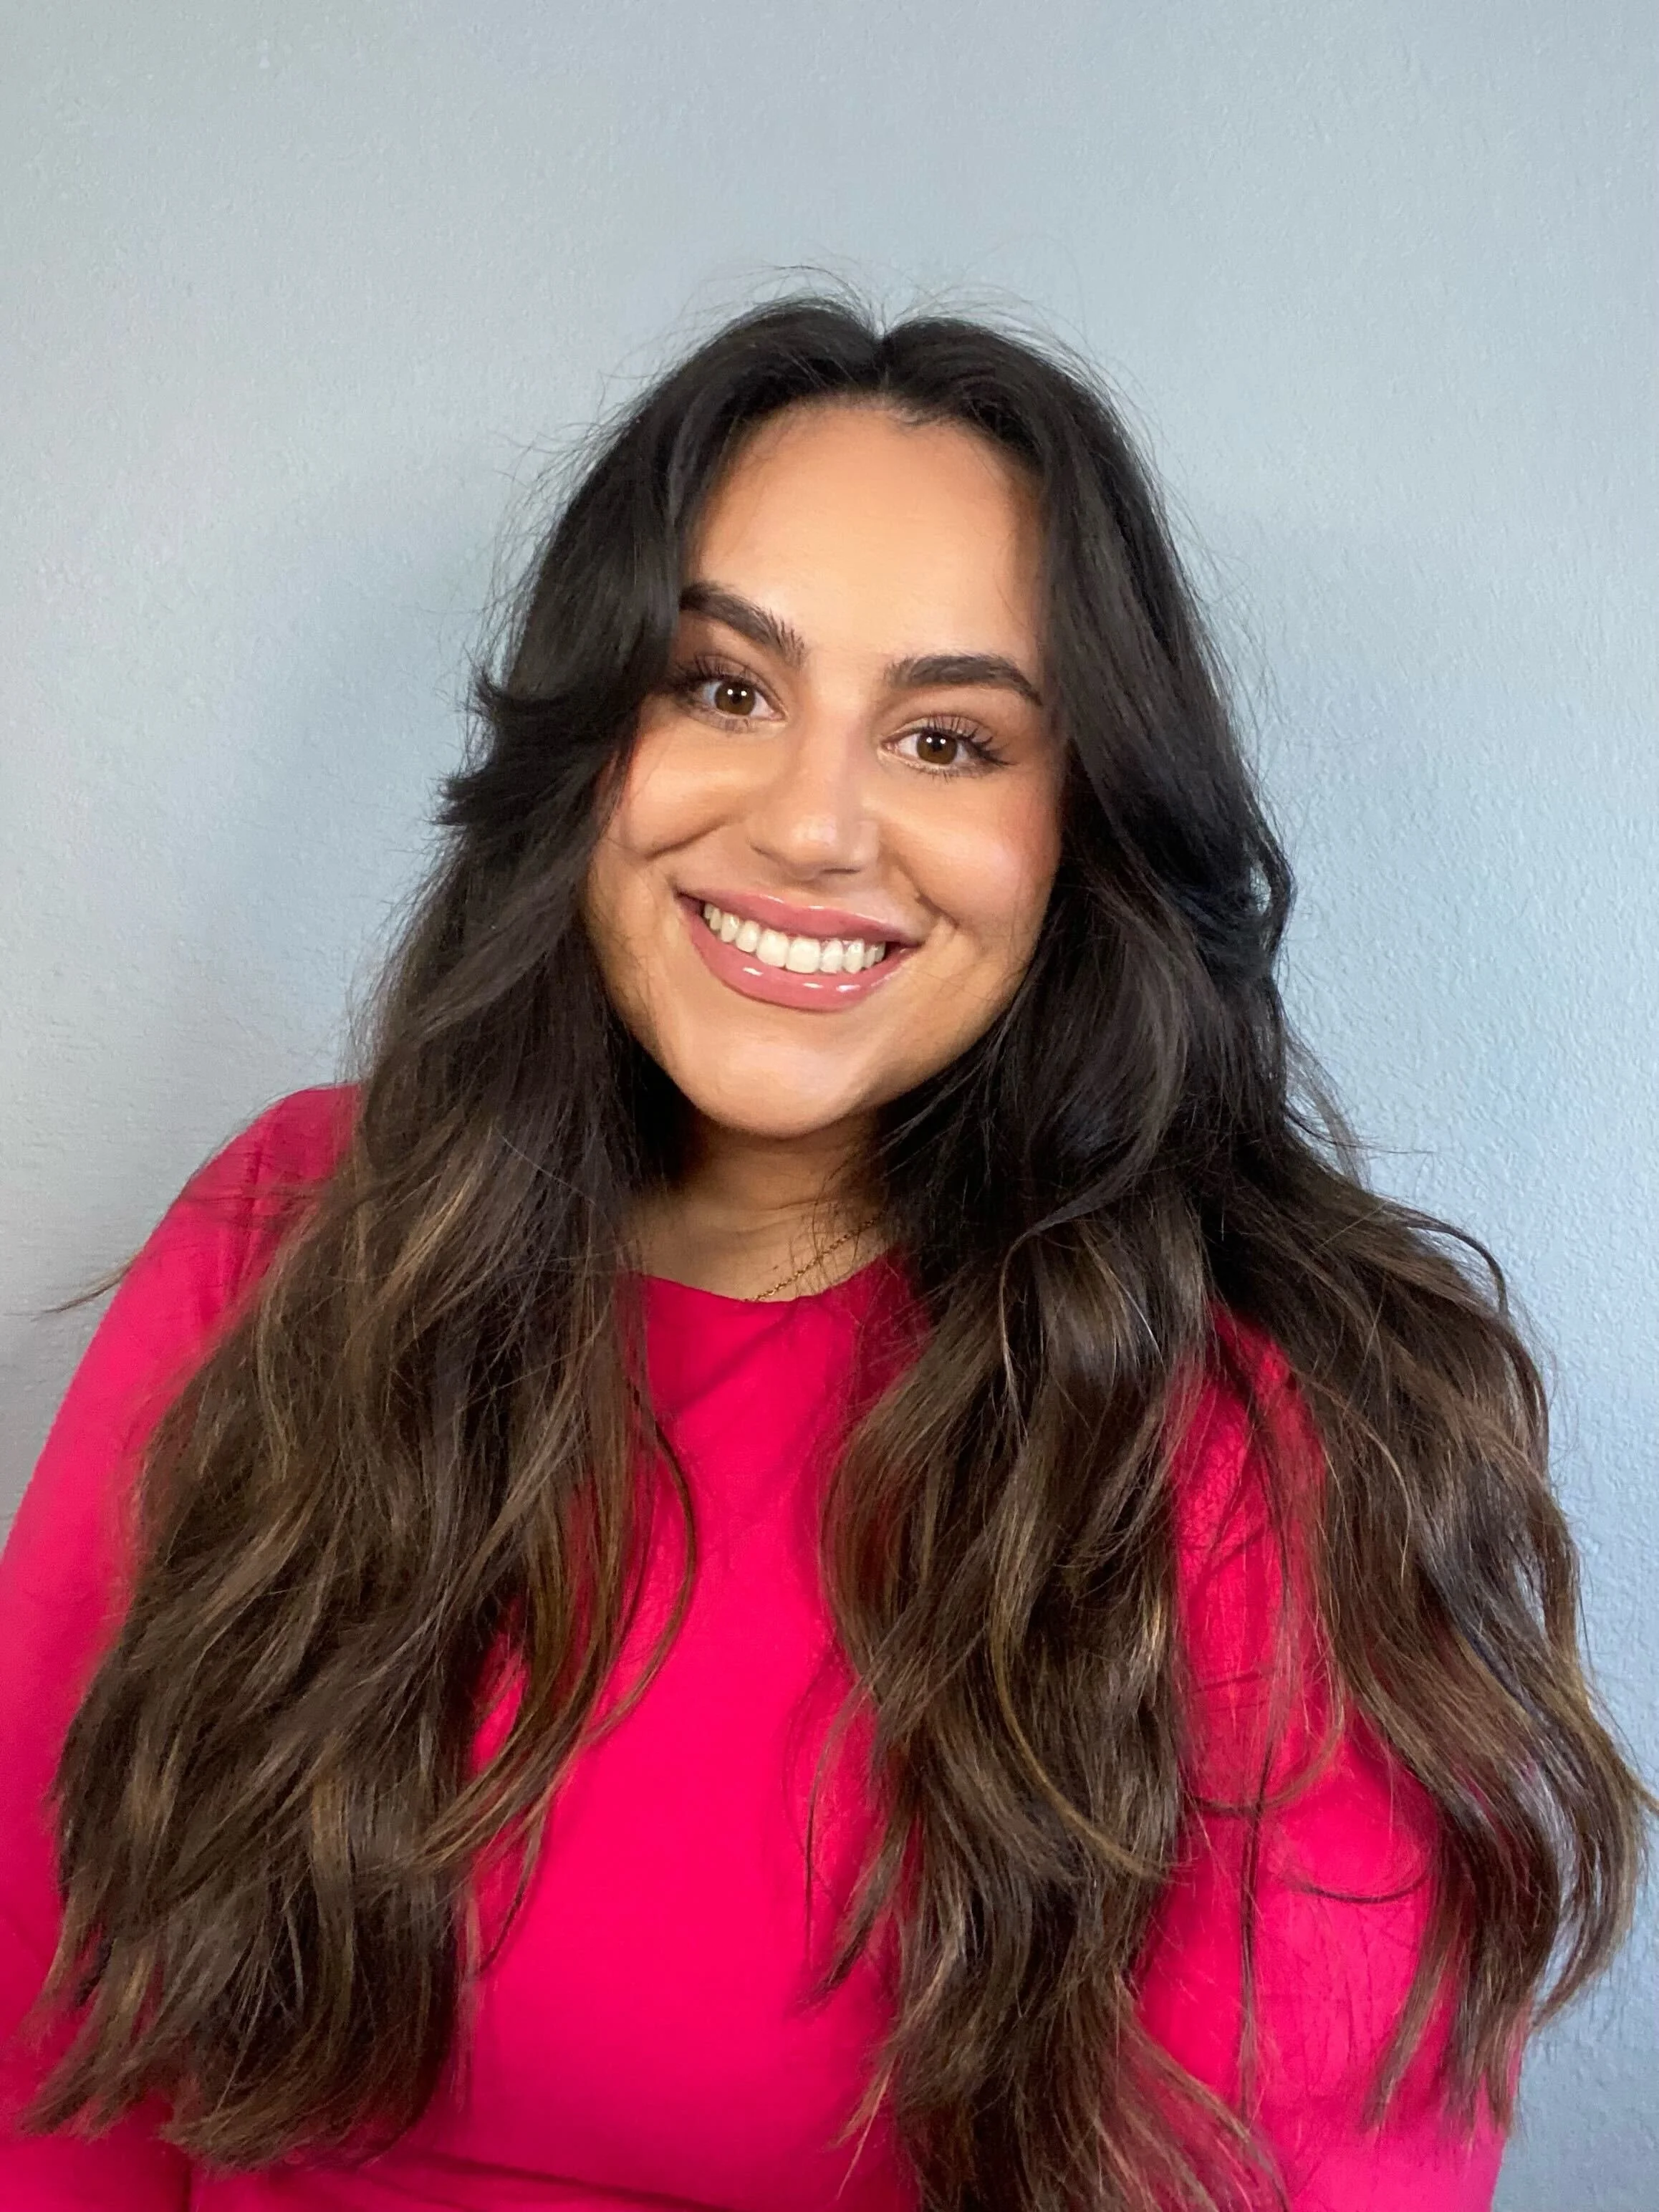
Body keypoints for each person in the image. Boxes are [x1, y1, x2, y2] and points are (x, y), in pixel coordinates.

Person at [0, 294, 1645, 2212]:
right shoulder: (290, 1238)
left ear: (1080, 834)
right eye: (721, 688)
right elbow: (58, 2030)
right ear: (585, 747)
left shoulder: (1270, 1430)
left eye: (946, 738)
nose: (809, 823)